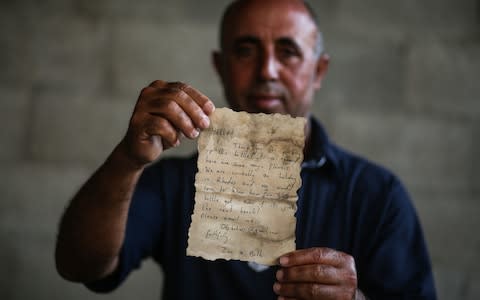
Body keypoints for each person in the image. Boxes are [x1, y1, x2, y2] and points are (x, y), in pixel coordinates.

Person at [55, 0, 437, 299]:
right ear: (220, 66)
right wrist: (127, 159)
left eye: (287, 51)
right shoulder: (172, 183)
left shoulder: (376, 194)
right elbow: (79, 266)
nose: (267, 70)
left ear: (319, 71)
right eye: (245, 50)